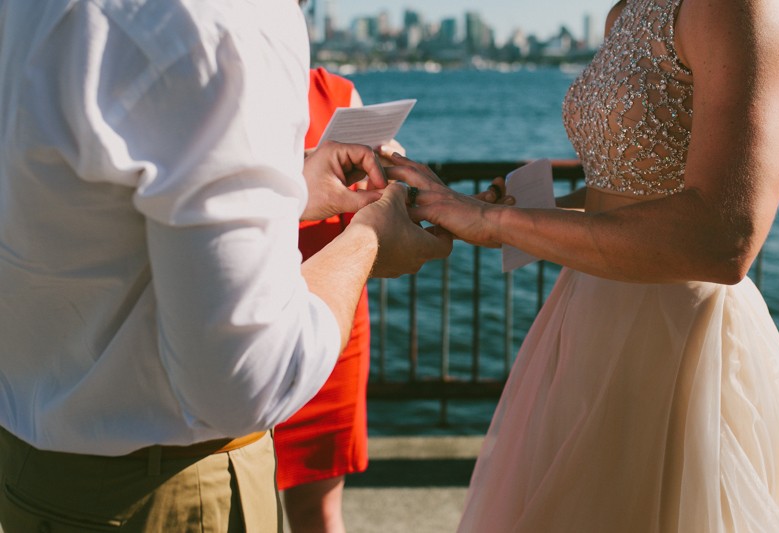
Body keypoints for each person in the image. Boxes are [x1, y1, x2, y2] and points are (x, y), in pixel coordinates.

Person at [0, 1, 452, 531]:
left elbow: (89, 212)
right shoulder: (220, 18)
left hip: (31, 469)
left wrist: (291, 194)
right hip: (167, 496)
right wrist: (370, 240)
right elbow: (244, 382)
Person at [390, 0, 779, 530]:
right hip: (582, 319)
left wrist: (495, 225)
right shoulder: (625, 11)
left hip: (678, 342)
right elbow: (623, 190)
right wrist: (502, 212)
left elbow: (722, 239)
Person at [275, 67, 395, 532]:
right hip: (250, 308)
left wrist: (382, 172)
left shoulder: (338, 93)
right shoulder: (228, 81)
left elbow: (364, 197)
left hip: (331, 316)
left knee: (319, 513)